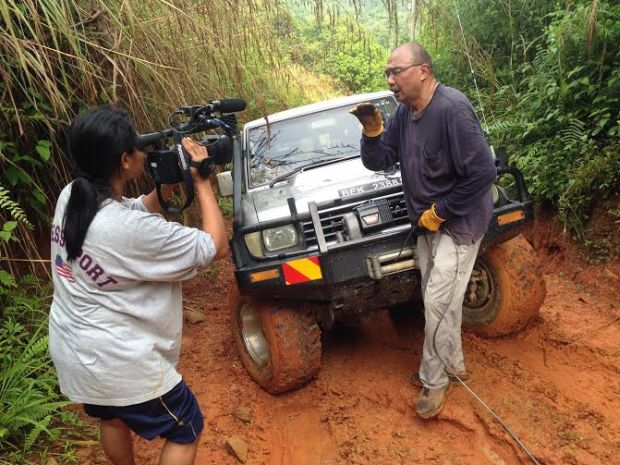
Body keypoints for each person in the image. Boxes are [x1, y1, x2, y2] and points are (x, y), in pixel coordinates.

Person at [49, 105, 229, 465]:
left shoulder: (73, 194)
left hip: (75, 350)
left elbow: (131, 212)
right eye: (138, 149)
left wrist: (166, 186)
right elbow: (215, 246)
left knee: (112, 417)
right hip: (119, 362)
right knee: (186, 427)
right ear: (125, 161)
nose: (144, 154)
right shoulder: (125, 230)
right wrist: (202, 184)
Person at [350, 42, 497, 419]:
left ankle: (434, 380)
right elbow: (381, 161)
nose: (390, 80)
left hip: (460, 223)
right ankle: (455, 363)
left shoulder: (452, 109)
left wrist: (442, 211)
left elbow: (483, 173)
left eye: (396, 71)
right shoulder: (403, 113)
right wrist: (371, 132)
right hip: (425, 224)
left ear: (423, 71)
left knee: (436, 302)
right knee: (441, 299)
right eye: (387, 73)